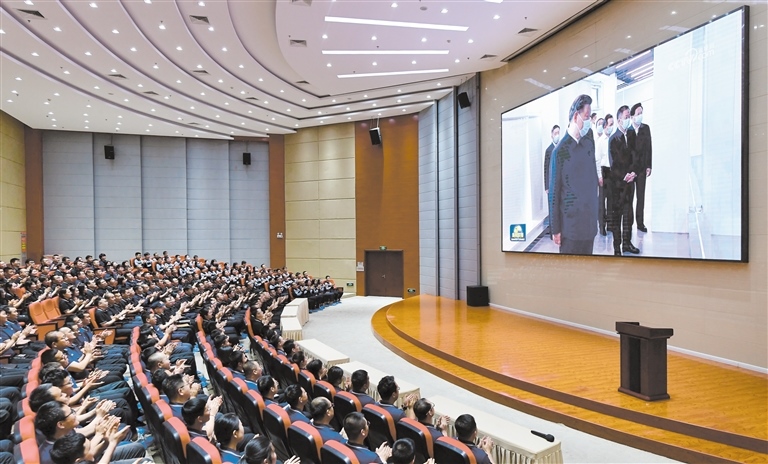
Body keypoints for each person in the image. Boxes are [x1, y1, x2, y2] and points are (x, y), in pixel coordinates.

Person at [549, 94, 599, 254]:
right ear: (576, 116)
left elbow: (593, 183)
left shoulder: (588, 144)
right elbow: (554, 193)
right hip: (570, 229)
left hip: (589, 226)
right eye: (587, 117)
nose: (589, 122)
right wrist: (555, 229)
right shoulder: (560, 151)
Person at [608, 105, 640, 255]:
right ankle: (617, 247)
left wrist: (633, 172)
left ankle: (627, 243)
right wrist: (624, 176)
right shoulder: (613, 139)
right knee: (617, 216)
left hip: (630, 183)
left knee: (628, 215)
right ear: (619, 120)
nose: (628, 119)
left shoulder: (631, 136)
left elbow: (635, 157)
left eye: (629, 117)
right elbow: (613, 163)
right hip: (618, 185)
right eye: (626, 117)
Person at [628, 102, 652, 232]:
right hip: (631, 170)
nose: (640, 115)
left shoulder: (645, 128)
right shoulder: (628, 131)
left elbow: (649, 148)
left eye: (641, 113)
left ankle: (640, 223)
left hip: (642, 169)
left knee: (641, 197)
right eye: (638, 113)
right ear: (632, 116)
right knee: (630, 197)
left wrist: (649, 166)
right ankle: (629, 223)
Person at [595, 114, 614, 236]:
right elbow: (597, 160)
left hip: (612, 172)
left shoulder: (614, 139)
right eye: (610, 124)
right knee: (602, 201)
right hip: (603, 171)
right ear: (605, 125)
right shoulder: (600, 141)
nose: (611, 127)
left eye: (613, 124)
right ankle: (602, 226)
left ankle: (611, 225)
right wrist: (599, 176)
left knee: (612, 200)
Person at [543, 125, 561, 236]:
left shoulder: (561, 148)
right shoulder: (549, 150)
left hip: (559, 183)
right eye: (555, 133)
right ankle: (552, 232)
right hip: (550, 183)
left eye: (558, 133)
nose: (557, 135)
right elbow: (546, 168)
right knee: (551, 207)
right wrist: (546, 186)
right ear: (551, 135)